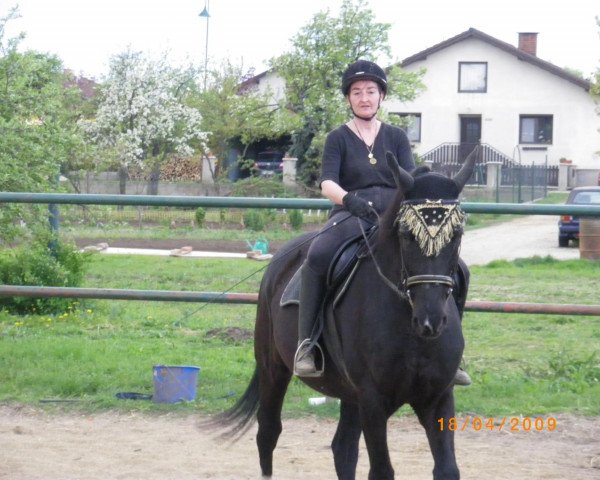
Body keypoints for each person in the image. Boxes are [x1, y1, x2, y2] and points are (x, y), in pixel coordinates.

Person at [293, 59, 472, 387]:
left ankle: (454, 352)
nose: (364, 97)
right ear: (349, 98)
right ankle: (308, 345)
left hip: (395, 217)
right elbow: (327, 182)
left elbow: (409, 179)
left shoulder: (397, 136)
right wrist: (349, 200)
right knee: (318, 255)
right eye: (357, 92)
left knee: (459, 268)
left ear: (381, 97)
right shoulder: (338, 138)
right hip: (352, 214)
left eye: (371, 91)